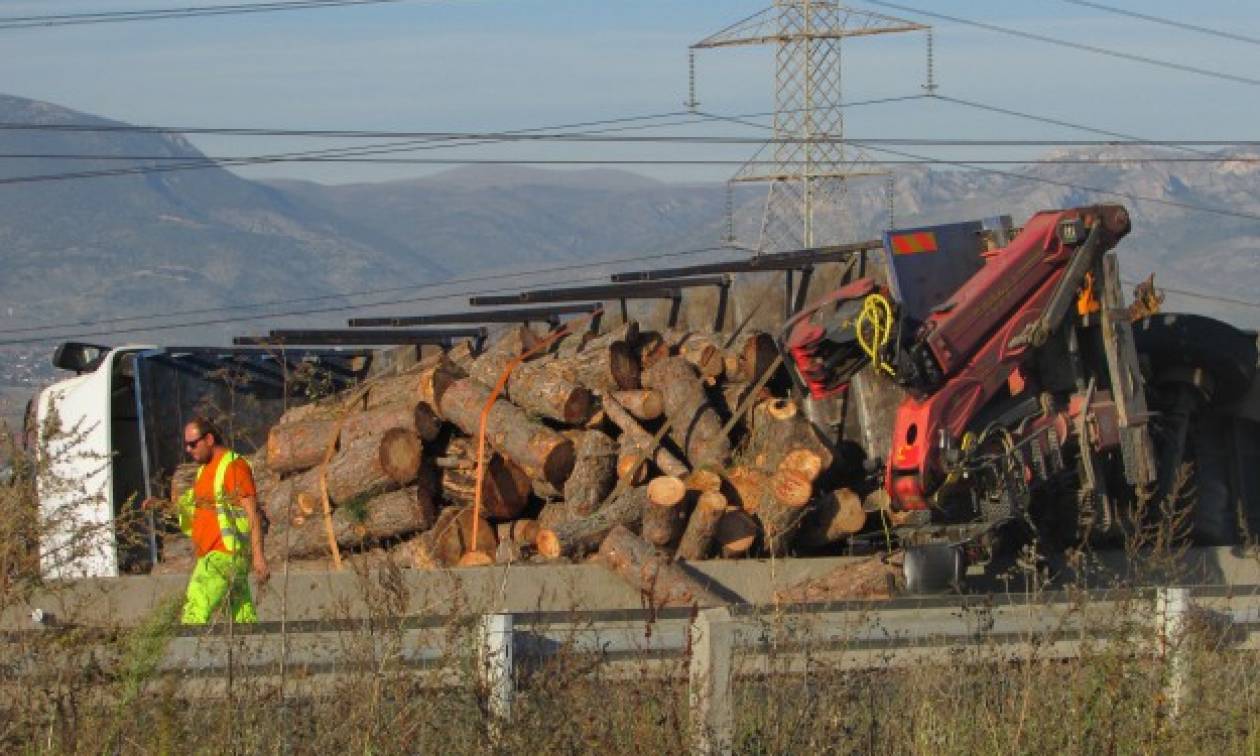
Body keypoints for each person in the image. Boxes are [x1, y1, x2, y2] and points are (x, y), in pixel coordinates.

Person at [145, 417, 269, 624]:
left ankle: (188, 653)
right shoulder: (204, 470)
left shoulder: (233, 467)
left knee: (196, 604)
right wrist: (163, 506)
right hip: (215, 555)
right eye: (186, 444)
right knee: (242, 617)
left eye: (193, 444)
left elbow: (252, 513)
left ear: (209, 439)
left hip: (224, 555)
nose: (188, 449)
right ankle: (254, 651)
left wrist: (258, 557)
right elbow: (195, 508)